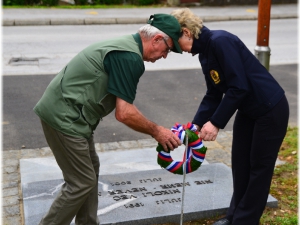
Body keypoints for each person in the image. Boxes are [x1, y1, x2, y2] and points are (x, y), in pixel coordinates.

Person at [33, 14, 183, 225]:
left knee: (90, 173)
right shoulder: (129, 57)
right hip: (65, 118)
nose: (165, 55)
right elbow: (124, 113)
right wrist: (157, 131)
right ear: (157, 39)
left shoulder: (127, 46)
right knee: (81, 182)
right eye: (167, 49)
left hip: (73, 116)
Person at [170, 8, 289, 225]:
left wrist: (215, 123)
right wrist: (196, 126)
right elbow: (213, 93)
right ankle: (233, 216)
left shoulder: (220, 41)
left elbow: (239, 87)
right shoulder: (205, 52)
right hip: (248, 110)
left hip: (270, 109)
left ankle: (245, 221)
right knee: (241, 165)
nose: (176, 50)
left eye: (174, 43)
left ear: (186, 33)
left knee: (258, 169)